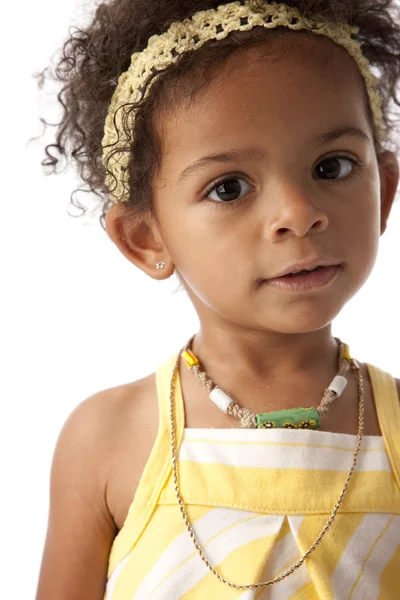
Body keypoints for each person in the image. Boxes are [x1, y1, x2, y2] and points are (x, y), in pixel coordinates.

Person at [35, 1, 400, 598]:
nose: (298, 214)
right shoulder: (107, 440)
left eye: (331, 166)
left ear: (384, 191)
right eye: (228, 187)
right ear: (145, 238)